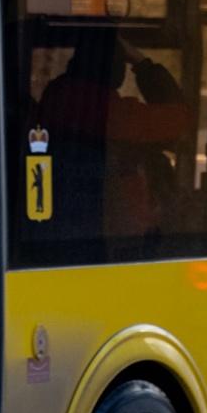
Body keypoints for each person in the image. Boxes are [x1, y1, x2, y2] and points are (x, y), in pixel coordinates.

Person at [34, 31, 195, 255]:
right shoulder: (112, 113)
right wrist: (142, 63)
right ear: (114, 70)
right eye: (119, 62)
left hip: (57, 229)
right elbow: (179, 121)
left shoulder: (56, 99)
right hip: (108, 236)